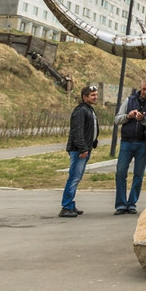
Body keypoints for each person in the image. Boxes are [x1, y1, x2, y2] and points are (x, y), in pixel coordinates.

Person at [113, 78, 146, 215]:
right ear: (139, 87)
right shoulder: (129, 100)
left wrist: (143, 120)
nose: (145, 92)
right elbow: (117, 119)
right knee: (120, 172)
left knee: (138, 175)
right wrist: (128, 116)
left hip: (142, 143)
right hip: (127, 142)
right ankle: (120, 204)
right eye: (144, 89)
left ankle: (132, 203)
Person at [60, 85, 99, 217]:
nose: (95, 97)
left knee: (77, 177)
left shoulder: (88, 109)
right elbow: (77, 131)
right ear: (85, 97)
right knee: (74, 178)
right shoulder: (80, 110)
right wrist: (82, 148)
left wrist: (93, 141)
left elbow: (90, 128)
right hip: (79, 150)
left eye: (96, 94)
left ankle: (70, 204)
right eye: (92, 95)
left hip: (85, 148)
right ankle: (66, 207)